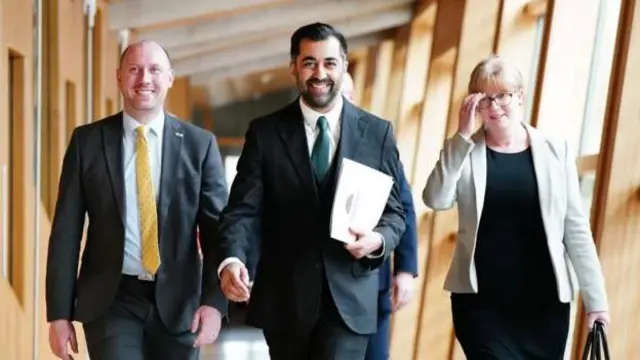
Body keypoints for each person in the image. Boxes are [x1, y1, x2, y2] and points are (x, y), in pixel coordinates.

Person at [216, 22, 406, 360]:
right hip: (286, 301)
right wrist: (232, 259)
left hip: (348, 302)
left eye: (330, 63)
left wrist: (377, 240)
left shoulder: (377, 133)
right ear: (294, 68)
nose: (320, 73)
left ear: (344, 66)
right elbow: (242, 210)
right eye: (310, 62)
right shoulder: (265, 133)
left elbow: (395, 212)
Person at [45, 40, 229, 360]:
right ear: (119, 78)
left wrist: (214, 303)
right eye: (134, 70)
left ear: (170, 78)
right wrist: (59, 315)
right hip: (111, 299)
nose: (145, 79)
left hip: (180, 303)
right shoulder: (87, 142)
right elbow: (66, 232)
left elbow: (217, 232)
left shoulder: (200, 145)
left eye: (154, 70)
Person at [422, 54, 610, 359]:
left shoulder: (555, 150)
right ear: (475, 104)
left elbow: (575, 229)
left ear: (520, 96)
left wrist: (596, 301)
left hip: (544, 306)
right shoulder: (465, 151)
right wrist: (460, 136)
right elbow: (436, 199)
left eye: (503, 96)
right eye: (485, 99)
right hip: (482, 305)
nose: (494, 107)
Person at [341, 73, 418, 360]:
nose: (343, 102)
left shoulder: (377, 141)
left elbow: (404, 206)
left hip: (372, 280)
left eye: (348, 95)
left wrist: (405, 269)